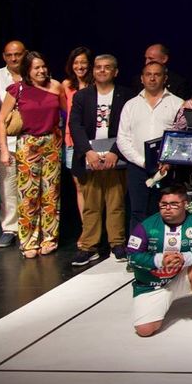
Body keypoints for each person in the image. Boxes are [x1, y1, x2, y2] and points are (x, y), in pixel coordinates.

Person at [0, 49, 64, 258]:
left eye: (43, 66)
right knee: (28, 194)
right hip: (28, 144)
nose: (41, 70)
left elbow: (66, 114)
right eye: (36, 67)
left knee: (51, 193)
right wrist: (4, 151)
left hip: (52, 142)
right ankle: (28, 241)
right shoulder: (17, 89)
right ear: (28, 70)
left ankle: (49, 238)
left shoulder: (56, 86)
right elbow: (1, 120)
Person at [128, 183, 192, 336]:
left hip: (182, 276)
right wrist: (158, 261)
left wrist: (186, 258)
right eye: (164, 204)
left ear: (185, 204)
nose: (168, 208)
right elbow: (131, 256)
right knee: (145, 330)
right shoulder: (145, 226)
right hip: (152, 284)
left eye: (174, 204)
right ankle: (162, 300)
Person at [70, 54, 129, 265]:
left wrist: (115, 151)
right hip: (90, 158)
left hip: (115, 157)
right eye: (98, 67)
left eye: (107, 68)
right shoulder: (82, 96)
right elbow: (75, 126)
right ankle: (89, 246)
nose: (102, 71)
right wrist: (88, 151)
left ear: (115, 71)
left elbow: (127, 127)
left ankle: (117, 243)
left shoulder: (126, 96)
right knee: (91, 204)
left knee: (116, 202)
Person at [116, 60, 185, 231]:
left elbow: (182, 138)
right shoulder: (131, 105)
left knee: (168, 211)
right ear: (142, 78)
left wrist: (168, 161)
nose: (152, 78)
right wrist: (142, 161)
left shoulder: (178, 103)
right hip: (137, 167)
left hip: (167, 169)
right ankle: (138, 251)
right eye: (148, 74)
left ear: (165, 78)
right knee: (138, 211)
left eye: (157, 74)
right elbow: (122, 139)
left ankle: (165, 250)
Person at [0, 39, 27, 248]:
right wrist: (1, 145)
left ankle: (31, 228)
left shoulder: (35, 73)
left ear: (25, 54)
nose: (14, 58)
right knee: (8, 187)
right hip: (8, 142)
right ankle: (10, 228)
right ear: (4, 56)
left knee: (32, 188)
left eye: (18, 54)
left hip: (32, 141)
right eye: (9, 55)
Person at [59, 46, 91, 223]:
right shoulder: (66, 85)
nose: (79, 66)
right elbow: (66, 112)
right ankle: (87, 229)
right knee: (79, 186)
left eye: (83, 62)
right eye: (76, 63)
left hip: (94, 141)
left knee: (94, 187)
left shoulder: (97, 84)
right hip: (72, 141)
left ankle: (98, 227)